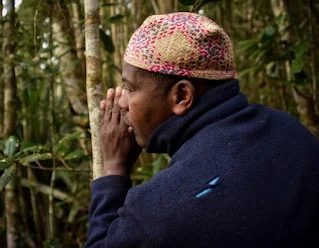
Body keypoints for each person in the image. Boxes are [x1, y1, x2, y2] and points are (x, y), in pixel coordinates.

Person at [84, 12, 319, 248]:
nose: (122, 102)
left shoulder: (157, 210)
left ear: (182, 96)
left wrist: (114, 171)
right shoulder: (293, 132)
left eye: (131, 88)